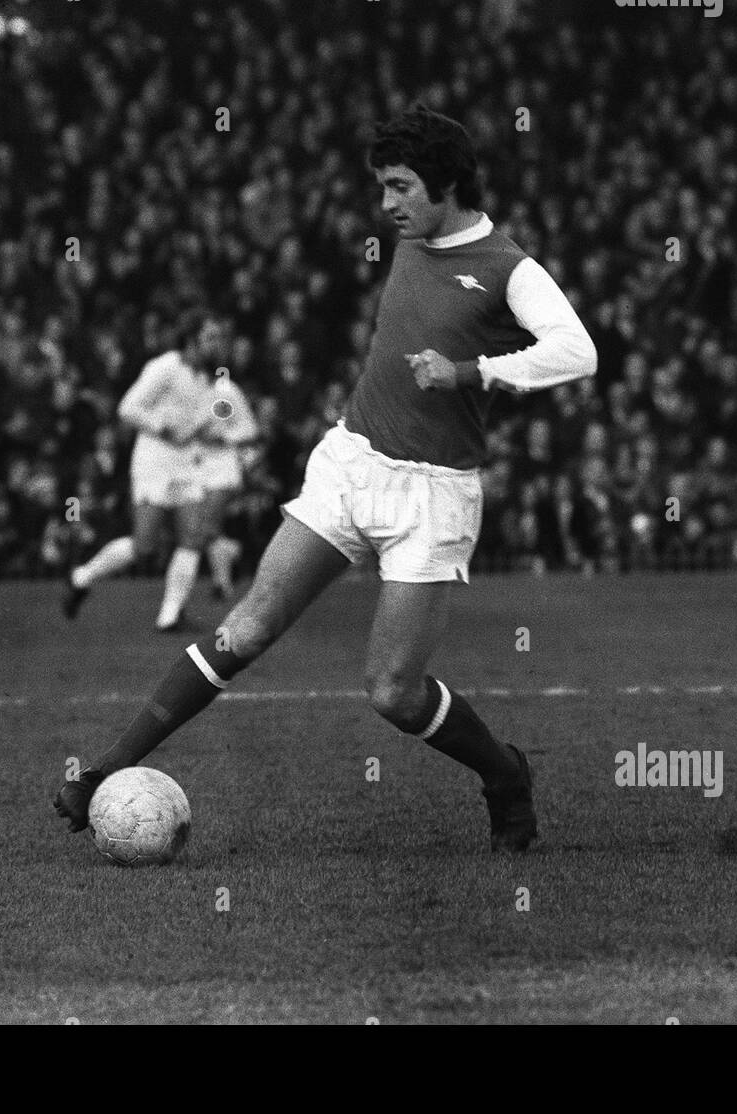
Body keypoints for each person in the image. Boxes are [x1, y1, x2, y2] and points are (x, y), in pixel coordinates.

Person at [54, 105, 596, 853]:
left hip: (433, 494)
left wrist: (471, 371)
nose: (387, 204)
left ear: (446, 183)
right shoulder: (410, 239)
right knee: (243, 629)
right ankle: (103, 772)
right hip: (350, 464)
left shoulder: (508, 266)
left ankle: (504, 775)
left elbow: (578, 351)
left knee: (392, 694)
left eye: (401, 186)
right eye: (382, 186)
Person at [62, 312, 257, 630]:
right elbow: (127, 407)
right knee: (144, 545)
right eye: (211, 337)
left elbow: (229, 425)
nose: (218, 344)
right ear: (192, 339)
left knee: (192, 536)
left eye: (220, 338)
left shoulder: (212, 381)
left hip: (187, 464)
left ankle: (169, 615)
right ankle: (82, 576)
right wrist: (163, 428)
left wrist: (215, 435)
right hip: (154, 461)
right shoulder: (165, 368)